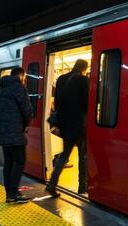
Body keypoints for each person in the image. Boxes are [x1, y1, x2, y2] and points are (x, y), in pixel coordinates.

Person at [46, 59, 89, 197]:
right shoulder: (83, 80)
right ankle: (83, 187)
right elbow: (86, 103)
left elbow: (57, 102)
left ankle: (52, 183)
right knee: (83, 156)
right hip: (79, 123)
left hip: (64, 123)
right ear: (84, 68)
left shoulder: (61, 79)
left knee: (65, 155)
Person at [0, 67, 33, 204]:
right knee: (20, 161)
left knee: (8, 163)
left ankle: (9, 193)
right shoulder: (18, 87)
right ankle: (13, 193)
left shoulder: (1, 89)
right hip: (16, 131)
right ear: (21, 76)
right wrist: (27, 124)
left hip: (3, 132)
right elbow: (27, 109)